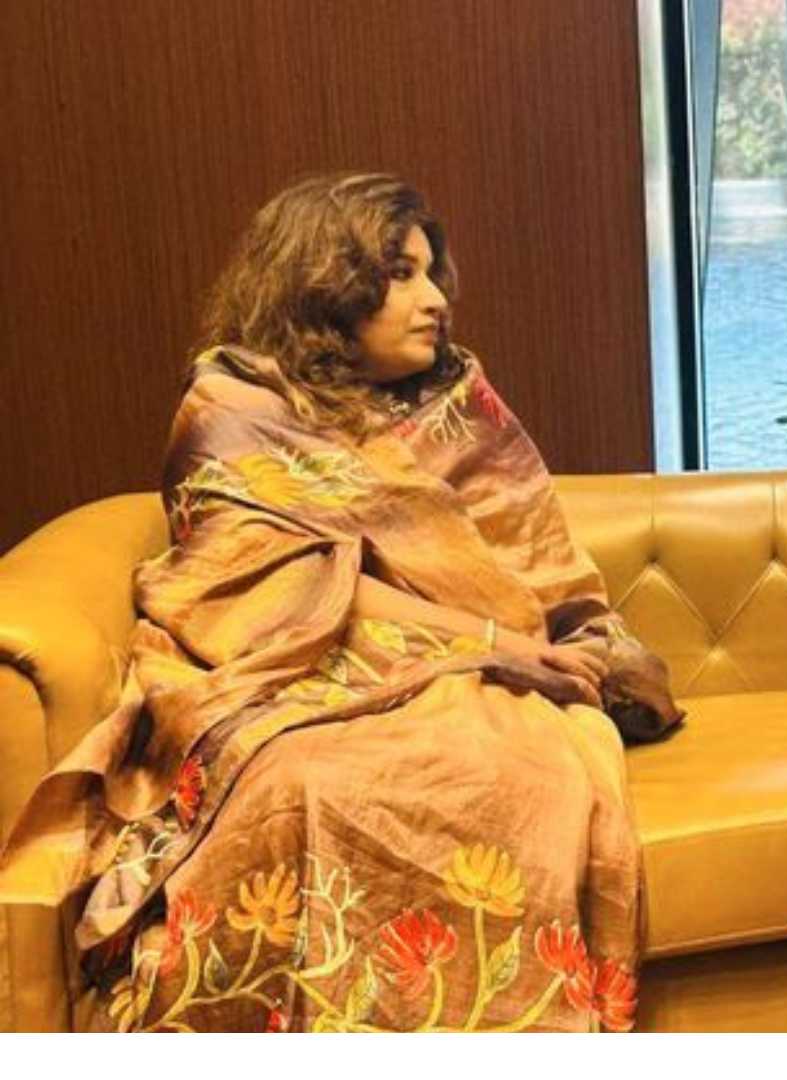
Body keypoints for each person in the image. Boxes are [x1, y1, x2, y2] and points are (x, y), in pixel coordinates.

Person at [0, 173, 684, 1032]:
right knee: (304, 779)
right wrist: (485, 641)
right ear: (324, 284)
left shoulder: (456, 406)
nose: (436, 300)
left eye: (432, 274)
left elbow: (530, 569)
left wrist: (523, 648)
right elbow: (262, 581)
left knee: (504, 769)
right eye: (400, 275)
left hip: (480, 673)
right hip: (297, 667)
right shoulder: (233, 411)